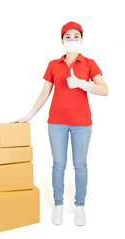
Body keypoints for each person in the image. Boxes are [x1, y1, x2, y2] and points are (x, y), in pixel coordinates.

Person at [10, 21, 108, 226]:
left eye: (76, 36)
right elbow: (45, 92)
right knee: (58, 165)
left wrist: (83, 84)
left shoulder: (89, 63)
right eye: (68, 37)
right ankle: (58, 206)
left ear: (82, 39)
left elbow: (104, 89)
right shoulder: (53, 65)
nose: (72, 40)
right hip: (56, 124)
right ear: (62, 40)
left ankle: (80, 206)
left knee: (80, 165)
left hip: (82, 124)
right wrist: (30, 114)